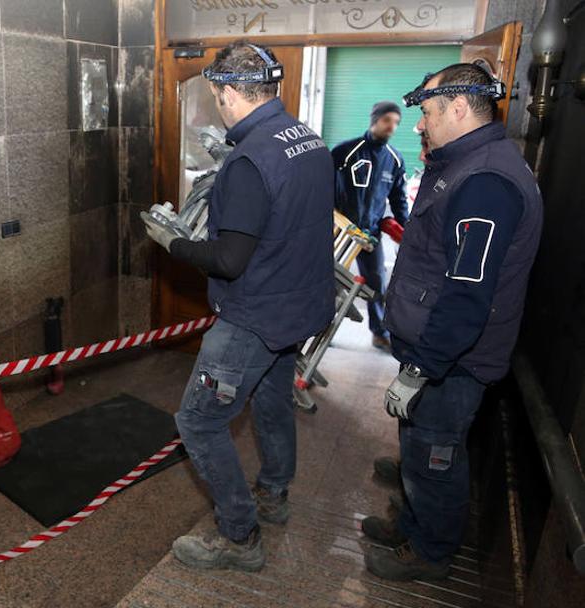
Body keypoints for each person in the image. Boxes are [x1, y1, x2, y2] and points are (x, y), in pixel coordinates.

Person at [142, 41, 334, 572]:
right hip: (299, 307)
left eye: (217, 96)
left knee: (199, 423)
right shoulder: (308, 138)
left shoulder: (250, 160)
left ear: (228, 92)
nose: (218, 105)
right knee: (272, 404)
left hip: (255, 315)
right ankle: (273, 492)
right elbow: (289, 222)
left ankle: (239, 534)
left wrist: (173, 242)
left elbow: (228, 259)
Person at [361, 63, 543, 581]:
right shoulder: (467, 164)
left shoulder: (486, 182)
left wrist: (419, 370)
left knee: (434, 458)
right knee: (418, 451)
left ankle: (431, 552)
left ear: (460, 109)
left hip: (451, 363)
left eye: (429, 112)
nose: (420, 123)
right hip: (436, 353)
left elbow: (467, 297)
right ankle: (414, 526)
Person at [332, 101, 410, 351]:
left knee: (377, 283)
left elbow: (398, 199)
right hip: (338, 231)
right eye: (388, 120)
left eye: (396, 122)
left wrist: (406, 230)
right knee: (328, 282)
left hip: (370, 235)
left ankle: (380, 333)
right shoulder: (345, 151)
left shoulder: (395, 161)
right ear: (375, 119)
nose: (392, 127)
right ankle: (319, 329)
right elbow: (324, 187)